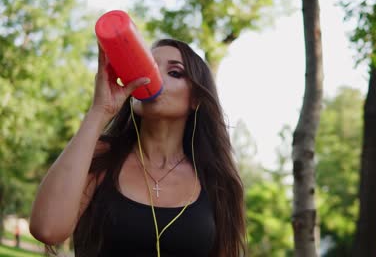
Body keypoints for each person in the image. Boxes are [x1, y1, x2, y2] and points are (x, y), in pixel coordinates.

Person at [29, 39, 246, 257]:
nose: (152, 76)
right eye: (147, 66)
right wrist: (99, 110)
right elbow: (47, 229)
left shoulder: (216, 180)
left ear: (196, 99)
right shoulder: (102, 155)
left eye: (174, 73)